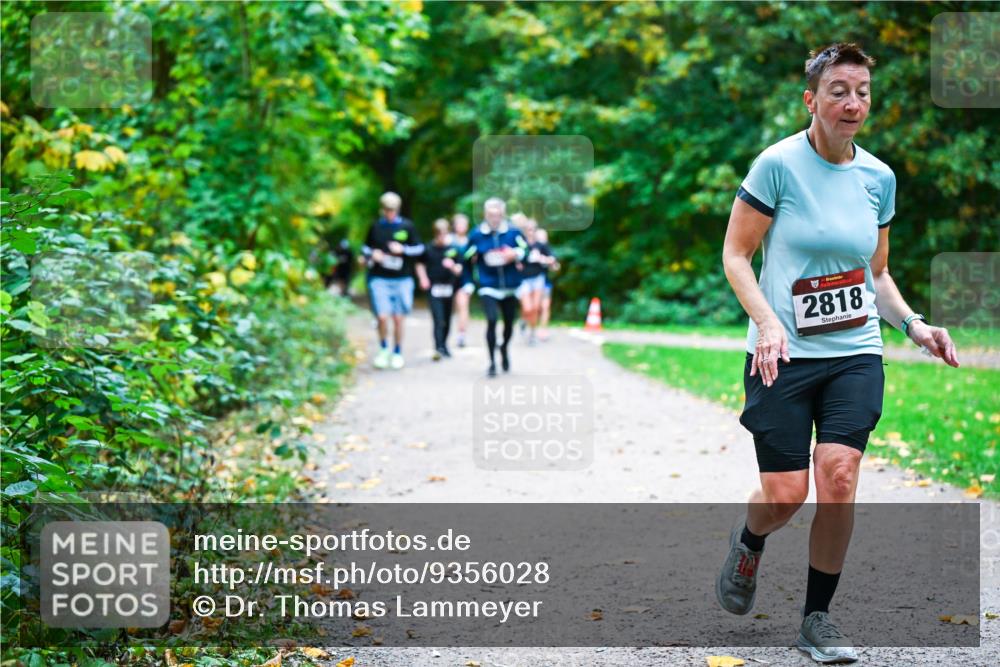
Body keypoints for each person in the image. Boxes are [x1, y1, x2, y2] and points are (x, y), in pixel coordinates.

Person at [717, 43, 959, 665]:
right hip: (782, 354)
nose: (853, 103)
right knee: (785, 495)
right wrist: (767, 322)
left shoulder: (878, 178)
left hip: (854, 352)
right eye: (839, 91)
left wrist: (914, 325)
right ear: (811, 100)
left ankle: (816, 619)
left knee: (840, 476)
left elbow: (875, 273)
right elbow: (736, 255)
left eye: (862, 92)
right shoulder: (777, 165)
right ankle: (750, 540)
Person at [361, 192, 430, 370]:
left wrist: (403, 250)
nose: (389, 212)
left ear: (397, 209)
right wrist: (372, 254)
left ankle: (397, 352)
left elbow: (420, 249)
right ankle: (384, 349)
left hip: (402, 278)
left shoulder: (407, 226)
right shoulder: (376, 226)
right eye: (386, 209)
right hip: (379, 278)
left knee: (398, 318)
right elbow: (365, 248)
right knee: (382, 317)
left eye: (392, 209)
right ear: (382, 209)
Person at [464, 198, 528, 377]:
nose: (494, 219)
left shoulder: (513, 232)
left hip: (511, 286)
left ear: (503, 214)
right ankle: (492, 362)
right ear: (485, 215)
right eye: (491, 215)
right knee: (491, 320)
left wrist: (515, 253)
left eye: (498, 215)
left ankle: (504, 348)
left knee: (509, 325)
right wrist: (468, 281)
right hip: (488, 285)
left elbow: (527, 251)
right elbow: (466, 256)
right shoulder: (477, 234)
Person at [423, 218, 464, 360]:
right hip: (434, 288)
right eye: (439, 233)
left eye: (444, 233)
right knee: (438, 318)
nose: (441, 236)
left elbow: (460, 270)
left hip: (449, 288)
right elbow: (420, 264)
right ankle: (438, 347)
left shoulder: (454, 249)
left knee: (447, 318)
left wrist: (452, 266)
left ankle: (444, 345)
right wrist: (423, 278)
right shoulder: (429, 248)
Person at [515, 218, 556, 345]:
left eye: (533, 229)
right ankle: (524, 320)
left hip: (538, 279)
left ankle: (532, 334)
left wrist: (541, 258)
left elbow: (552, 260)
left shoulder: (541, 245)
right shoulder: (521, 245)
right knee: (528, 308)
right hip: (524, 280)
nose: (530, 232)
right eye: (528, 229)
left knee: (536, 308)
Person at [450, 213, 473, 348]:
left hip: (466, 279)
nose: (461, 226)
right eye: (459, 223)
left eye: (464, 224)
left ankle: (461, 334)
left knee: (463, 305)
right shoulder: (448, 240)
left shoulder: (471, 241)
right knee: (450, 307)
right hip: (448, 280)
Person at [536, 227, 558, 342]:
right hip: (531, 284)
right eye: (539, 237)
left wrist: (550, 263)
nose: (542, 240)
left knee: (545, 306)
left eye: (544, 237)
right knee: (534, 307)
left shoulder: (549, 251)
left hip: (545, 283)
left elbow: (556, 266)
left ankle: (543, 330)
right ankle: (526, 323)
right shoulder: (531, 249)